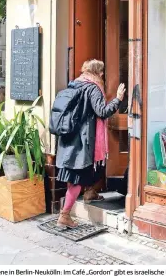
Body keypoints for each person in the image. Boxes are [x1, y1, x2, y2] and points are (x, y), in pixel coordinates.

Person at [55, 59, 126, 228]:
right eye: (101, 72)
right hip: (81, 141)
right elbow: (102, 111)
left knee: (77, 174)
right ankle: (64, 215)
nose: (103, 75)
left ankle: (90, 192)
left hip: (68, 140)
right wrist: (118, 99)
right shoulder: (92, 88)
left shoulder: (74, 85)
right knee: (77, 178)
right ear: (97, 73)